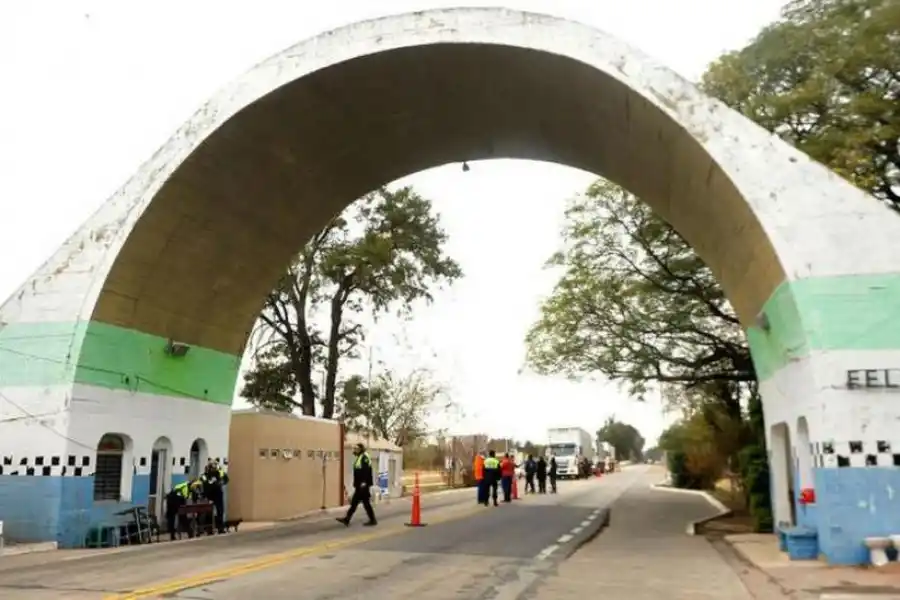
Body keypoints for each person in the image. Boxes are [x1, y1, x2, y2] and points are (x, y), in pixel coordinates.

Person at [337, 443, 377, 527]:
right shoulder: (360, 457)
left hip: (363, 486)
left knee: (363, 503)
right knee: (358, 503)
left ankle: (372, 520)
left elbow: (366, 471)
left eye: (356, 448)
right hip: (360, 485)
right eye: (354, 448)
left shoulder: (364, 457)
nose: (354, 450)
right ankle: (347, 519)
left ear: (361, 449)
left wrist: (364, 483)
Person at [201, 461, 229, 534]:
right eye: (212, 467)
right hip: (209, 495)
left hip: (218, 494)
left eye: (215, 467)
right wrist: (213, 483)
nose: (214, 469)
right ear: (209, 468)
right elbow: (205, 483)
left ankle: (220, 528)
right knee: (208, 512)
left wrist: (221, 482)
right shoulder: (205, 475)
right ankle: (209, 529)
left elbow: (226, 479)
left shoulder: (219, 473)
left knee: (220, 511)